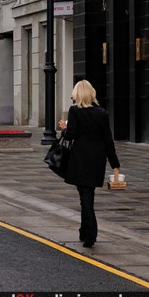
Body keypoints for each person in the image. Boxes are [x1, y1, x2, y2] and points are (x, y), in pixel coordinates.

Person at [58, 80, 120, 248]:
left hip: (80, 158)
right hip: (97, 159)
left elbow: (71, 135)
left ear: (77, 94)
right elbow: (108, 140)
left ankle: (90, 233)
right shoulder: (102, 113)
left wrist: (64, 128)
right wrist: (115, 163)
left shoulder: (74, 111)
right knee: (87, 194)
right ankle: (84, 230)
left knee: (85, 196)